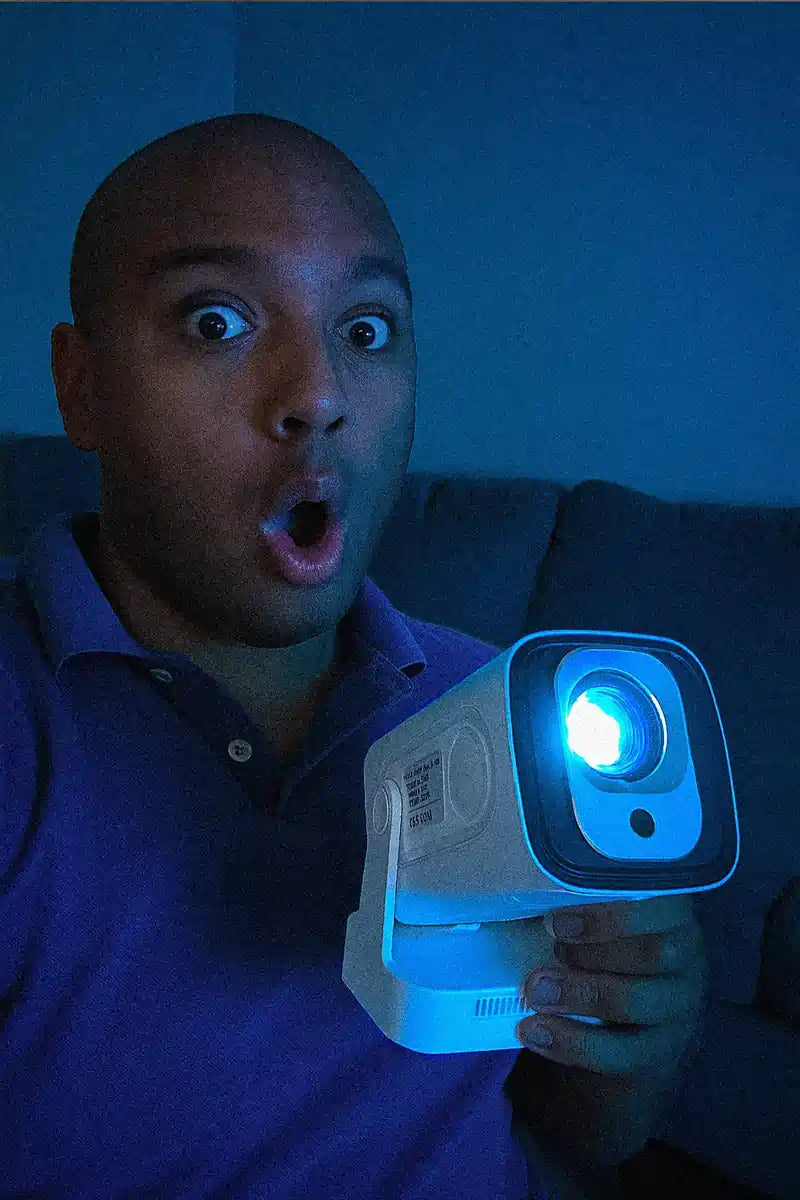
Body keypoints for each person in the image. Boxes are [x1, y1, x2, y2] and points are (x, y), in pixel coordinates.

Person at [0, 113, 704, 1199]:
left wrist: (631, 1048)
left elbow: (573, 1140)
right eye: (217, 320)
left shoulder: (502, 709)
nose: (319, 395)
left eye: (367, 330)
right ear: (82, 384)